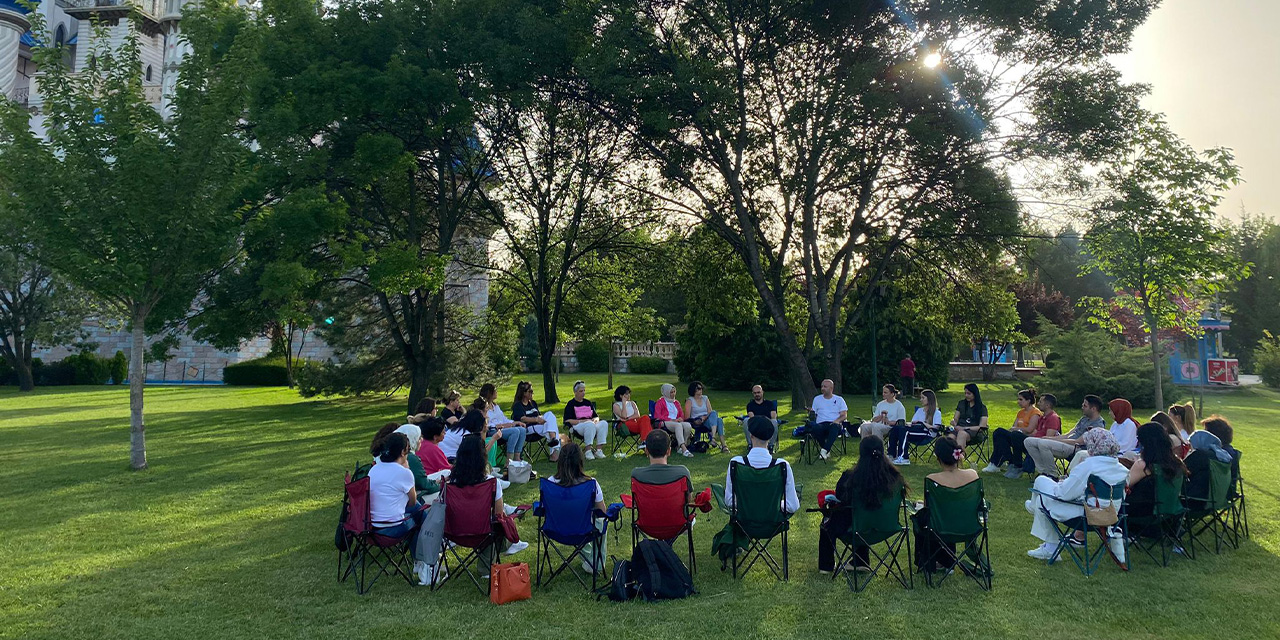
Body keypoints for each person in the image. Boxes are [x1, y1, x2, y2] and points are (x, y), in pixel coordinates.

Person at [1025, 429, 1128, 562]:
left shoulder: (1088, 466)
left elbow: (1064, 494)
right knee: (1044, 494)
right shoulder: (1122, 469)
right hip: (1111, 517)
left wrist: (1060, 485)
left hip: (1086, 517)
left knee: (1041, 488)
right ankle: (1049, 546)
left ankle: (1050, 546)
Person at [818, 435, 907, 574]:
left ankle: (826, 565)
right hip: (887, 526)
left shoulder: (851, 477)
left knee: (831, 520)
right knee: (860, 512)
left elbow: (841, 499)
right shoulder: (895, 478)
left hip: (858, 527)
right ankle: (860, 560)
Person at [449, 434, 529, 567]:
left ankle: (508, 547)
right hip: (482, 532)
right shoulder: (491, 483)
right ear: (482, 457)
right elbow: (498, 515)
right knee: (494, 523)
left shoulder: (450, 483)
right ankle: (491, 563)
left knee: (488, 523)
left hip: (454, 531)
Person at [912, 437, 981, 573]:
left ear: (938, 457)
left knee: (922, 518)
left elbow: (929, 508)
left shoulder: (932, 479)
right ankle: (947, 561)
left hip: (942, 526)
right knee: (948, 514)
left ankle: (931, 561)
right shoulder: (973, 475)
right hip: (969, 526)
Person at [366, 432, 430, 574]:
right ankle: (422, 559)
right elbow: (412, 502)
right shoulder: (404, 473)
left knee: (418, 512)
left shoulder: (374, 469)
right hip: (392, 529)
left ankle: (423, 558)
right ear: (403, 452)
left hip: (370, 527)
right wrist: (407, 470)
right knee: (417, 515)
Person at [547, 443, 610, 574]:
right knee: (602, 521)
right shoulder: (591, 483)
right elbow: (602, 512)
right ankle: (596, 563)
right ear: (580, 461)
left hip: (556, 529)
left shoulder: (550, 482)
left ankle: (588, 558)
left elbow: (545, 509)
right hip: (583, 529)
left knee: (591, 522)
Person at [724, 417, 799, 513]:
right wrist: (773, 503)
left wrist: (750, 503)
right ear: (770, 438)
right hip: (772, 525)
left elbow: (730, 501)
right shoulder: (782, 465)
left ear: (751, 435)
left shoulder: (736, 463)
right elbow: (792, 506)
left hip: (744, 524)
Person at [1023, 394, 1106, 479]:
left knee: (1043, 443)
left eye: (1085, 405)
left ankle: (1052, 474)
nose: (1082, 407)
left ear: (1093, 409)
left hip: (1077, 448)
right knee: (1029, 441)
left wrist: (1053, 440)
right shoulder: (1084, 419)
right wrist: (1050, 438)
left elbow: (1078, 441)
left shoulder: (1097, 425)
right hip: (1067, 444)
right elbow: (1067, 435)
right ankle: (1043, 471)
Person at [1126, 422, 1188, 520]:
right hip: (1170, 514)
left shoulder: (1144, 465)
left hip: (1144, 514)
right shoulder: (1177, 463)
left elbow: (1125, 484)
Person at [983, 388, 1042, 475]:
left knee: (1014, 434)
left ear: (1028, 400)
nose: (1018, 401)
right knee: (999, 432)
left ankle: (1004, 462)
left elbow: (1030, 430)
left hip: (1027, 439)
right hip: (1016, 436)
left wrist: (1018, 429)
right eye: (1018, 399)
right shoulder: (1021, 412)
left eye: (1021, 399)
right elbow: (1014, 426)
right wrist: (1015, 429)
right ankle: (1004, 460)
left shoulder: (1035, 413)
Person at [1011, 394, 1062, 478]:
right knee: (1012, 435)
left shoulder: (1053, 418)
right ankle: (1016, 464)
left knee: (1017, 436)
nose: (1038, 403)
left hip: (1044, 444)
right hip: (1035, 440)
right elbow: (1036, 432)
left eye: (1041, 401)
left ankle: (1019, 466)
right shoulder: (1043, 417)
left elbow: (1049, 438)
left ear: (1047, 405)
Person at [888, 389, 944, 465]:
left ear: (929, 399)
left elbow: (936, 428)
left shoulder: (936, 412)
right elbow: (913, 423)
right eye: (921, 398)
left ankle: (904, 458)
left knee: (905, 432)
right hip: (915, 430)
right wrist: (907, 424)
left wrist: (923, 423)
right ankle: (892, 455)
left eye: (923, 398)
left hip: (927, 433)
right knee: (896, 428)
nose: (921, 400)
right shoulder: (920, 411)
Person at [510, 380, 562, 462]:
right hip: (528, 428)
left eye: (532, 391)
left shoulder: (533, 403)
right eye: (530, 391)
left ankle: (553, 441)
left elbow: (538, 415)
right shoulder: (518, 405)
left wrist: (540, 418)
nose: (532, 393)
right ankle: (554, 451)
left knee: (550, 415)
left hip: (538, 426)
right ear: (524, 393)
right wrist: (536, 419)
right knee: (550, 427)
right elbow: (523, 418)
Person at [479, 383, 527, 465]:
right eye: (495, 391)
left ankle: (517, 457)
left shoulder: (495, 406)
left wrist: (515, 422)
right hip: (492, 431)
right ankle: (508, 461)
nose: (496, 392)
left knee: (522, 430)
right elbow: (487, 424)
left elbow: (503, 419)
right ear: (490, 393)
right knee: (515, 431)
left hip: (502, 429)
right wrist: (502, 426)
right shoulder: (483, 407)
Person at [394, 423, 441, 501]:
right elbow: (423, 485)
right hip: (407, 499)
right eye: (419, 438)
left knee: (446, 473)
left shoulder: (386, 455)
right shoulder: (410, 458)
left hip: (398, 496)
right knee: (443, 494)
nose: (421, 440)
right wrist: (440, 485)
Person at [564, 380, 609, 460]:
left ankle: (599, 450)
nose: (583, 393)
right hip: (578, 426)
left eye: (584, 390)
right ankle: (588, 451)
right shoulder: (571, 404)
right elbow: (567, 420)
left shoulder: (588, 403)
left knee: (603, 423)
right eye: (581, 391)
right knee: (589, 424)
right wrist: (583, 421)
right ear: (575, 392)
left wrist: (595, 420)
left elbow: (596, 416)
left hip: (591, 424)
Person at [808, 379, 849, 461]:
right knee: (815, 428)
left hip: (834, 423)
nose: (822, 388)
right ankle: (827, 450)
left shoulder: (839, 399)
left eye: (825, 387)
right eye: (822, 386)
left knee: (834, 427)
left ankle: (824, 450)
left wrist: (837, 421)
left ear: (831, 388)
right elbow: (813, 415)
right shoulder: (817, 399)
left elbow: (844, 415)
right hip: (821, 424)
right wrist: (810, 413)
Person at [686, 381, 729, 453]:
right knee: (718, 420)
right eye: (699, 388)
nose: (701, 390)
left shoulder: (705, 398)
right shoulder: (690, 401)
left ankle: (716, 440)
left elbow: (710, 411)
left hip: (707, 420)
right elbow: (687, 417)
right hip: (697, 422)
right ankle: (721, 444)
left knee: (715, 415)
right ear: (693, 390)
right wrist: (697, 420)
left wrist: (704, 417)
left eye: (701, 388)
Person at [655, 383, 694, 458]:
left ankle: (681, 446)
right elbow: (657, 416)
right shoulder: (660, 402)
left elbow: (681, 414)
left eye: (674, 392)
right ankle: (684, 449)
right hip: (664, 422)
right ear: (666, 393)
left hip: (676, 421)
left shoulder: (676, 402)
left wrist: (680, 418)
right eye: (671, 392)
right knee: (678, 425)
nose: (673, 394)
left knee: (688, 425)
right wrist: (672, 420)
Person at [949, 383, 988, 449]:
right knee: (950, 437)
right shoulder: (961, 404)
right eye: (965, 393)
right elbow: (955, 418)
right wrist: (954, 423)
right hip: (959, 429)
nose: (966, 395)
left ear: (975, 394)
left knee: (962, 434)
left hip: (974, 433)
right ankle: (948, 457)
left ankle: (958, 457)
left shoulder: (982, 408)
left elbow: (982, 427)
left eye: (969, 393)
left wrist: (964, 428)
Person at [744, 385, 780, 451]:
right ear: (753, 394)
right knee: (746, 420)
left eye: (758, 392)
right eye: (755, 393)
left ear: (762, 392)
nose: (757, 394)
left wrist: (763, 421)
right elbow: (752, 417)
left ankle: (770, 445)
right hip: (756, 424)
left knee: (774, 422)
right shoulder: (750, 405)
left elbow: (773, 416)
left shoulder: (770, 404)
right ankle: (750, 444)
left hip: (768, 424)